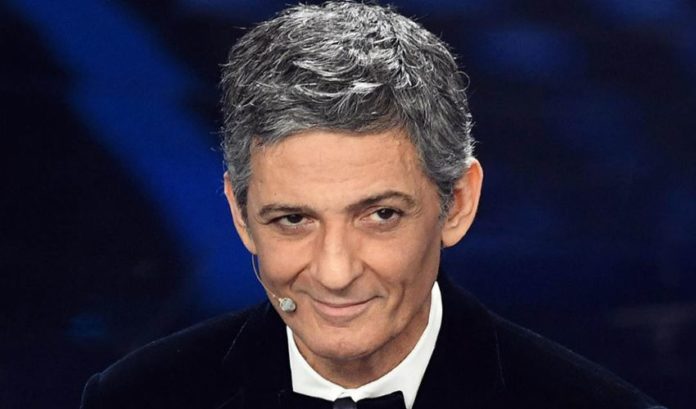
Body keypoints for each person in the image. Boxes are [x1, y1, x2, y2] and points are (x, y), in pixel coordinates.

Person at [80, 2, 666, 408]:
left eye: (381, 215)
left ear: (458, 203)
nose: (335, 273)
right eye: (293, 219)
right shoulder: (134, 399)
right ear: (240, 215)